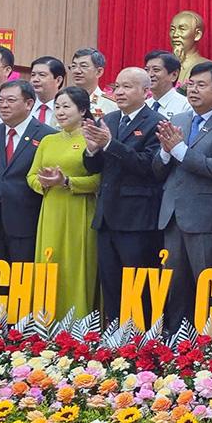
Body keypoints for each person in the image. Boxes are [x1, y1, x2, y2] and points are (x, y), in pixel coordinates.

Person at [154, 62, 212, 330]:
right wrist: (165, 152)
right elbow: (158, 170)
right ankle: (175, 339)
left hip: (206, 219)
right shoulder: (178, 120)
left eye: (201, 85)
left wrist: (179, 150)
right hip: (173, 216)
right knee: (174, 285)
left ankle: (209, 341)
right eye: (191, 84)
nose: (193, 90)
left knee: (208, 286)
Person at [82, 67, 164, 325]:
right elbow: (94, 168)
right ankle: (114, 333)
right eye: (117, 86)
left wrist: (109, 144)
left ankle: (141, 334)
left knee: (138, 283)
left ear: (146, 92)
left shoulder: (156, 123)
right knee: (111, 282)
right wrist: (92, 150)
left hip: (137, 218)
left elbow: (148, 166)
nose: (119, 92)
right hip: (107, 215)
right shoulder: (109, 119)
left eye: (127, 87)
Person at [28, 86, 102, 319]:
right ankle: (45, 322)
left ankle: (78, 323)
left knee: (76, 266)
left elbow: (99, 180)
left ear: (82, 110)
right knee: (50, 264)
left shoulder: (92, 138)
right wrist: (44, 182)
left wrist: (67, 182)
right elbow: (31, 175)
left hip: (79, 210)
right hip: (51, 210)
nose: (60, 112)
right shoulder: (48, 140)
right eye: (57, 107)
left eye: (66, 106)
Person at [0, 80, 56, 265]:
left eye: (10, 100)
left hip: (27, 222)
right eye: (0, 100)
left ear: (29, 103)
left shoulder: (47, 136)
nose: (4, 105)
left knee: (22, 278)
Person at [169, 9, 212, 83]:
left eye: (182, 29)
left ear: (197, 35)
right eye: (172, 29)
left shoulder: (210, 68)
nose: (175, 35)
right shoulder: (161, 67)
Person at [70, 47, 117, 117]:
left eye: (83, 66)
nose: (76, 71)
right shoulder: (64, 100)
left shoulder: (111, 104)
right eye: (73, 66)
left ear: (99, 72)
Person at [144, 50, 189, 119]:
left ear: (174, 75)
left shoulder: (186, 106)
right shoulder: (144, 105)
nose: (149, 75)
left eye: (156, 70)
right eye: (147, 70)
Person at [28, 56, 67, 127]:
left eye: (42, 75)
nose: (35, 79)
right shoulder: (25, 106)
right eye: (33, 75)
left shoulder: (67, 110)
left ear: (58, 80)